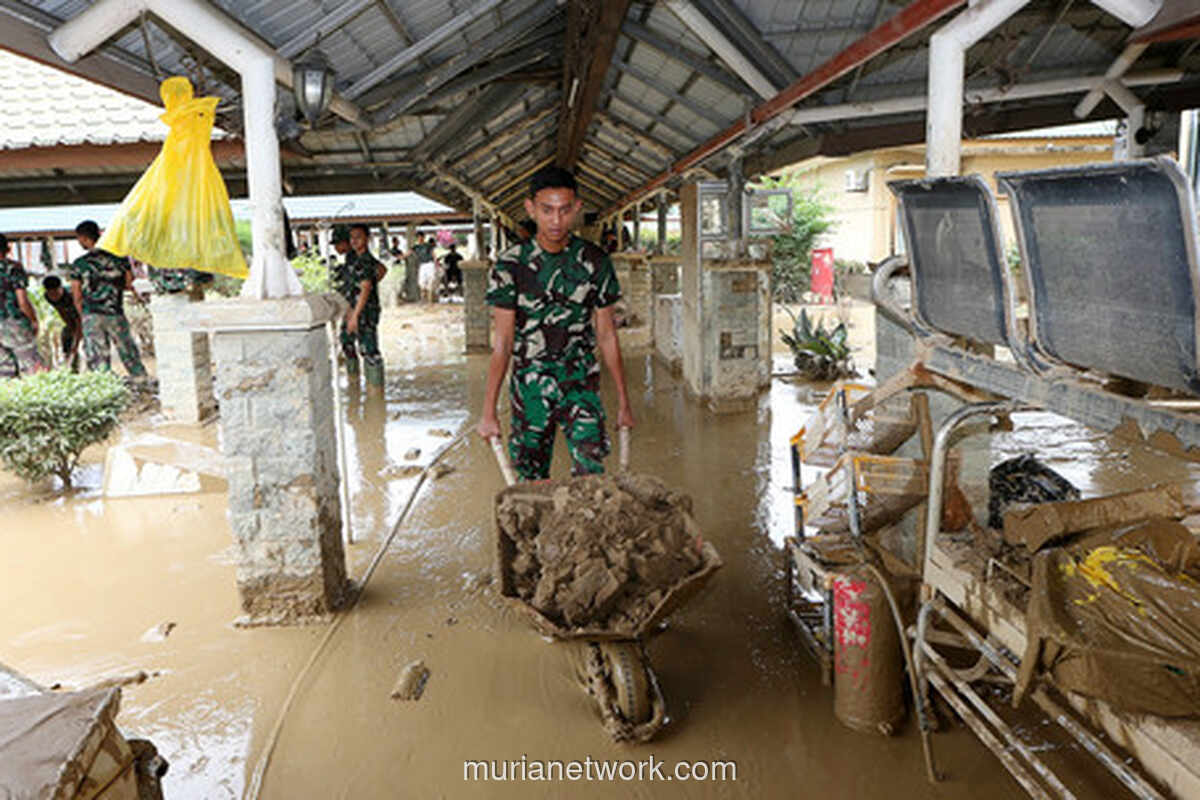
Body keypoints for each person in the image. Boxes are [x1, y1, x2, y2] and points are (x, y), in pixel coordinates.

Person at [476, 165, 634, 481]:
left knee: (591, 480)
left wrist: (623, 402)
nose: (556, 221)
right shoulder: (510, 265)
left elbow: (606, 335)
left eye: (564, 210)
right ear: (531, 209)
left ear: (577, 208)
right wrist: (488, 410)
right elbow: (503, 342)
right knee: (531, 483)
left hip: (581, 384)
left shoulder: (594, 261)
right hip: (530, 387)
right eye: (547, 210)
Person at [69, 220, 148, 378]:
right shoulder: (119, 259)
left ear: (84, 238)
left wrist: (83, 315)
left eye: (79, 239)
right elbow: (129, 283)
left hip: (91, 315)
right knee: (128, 351)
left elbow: (76, 295)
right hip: (115, 313)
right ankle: (141, 379)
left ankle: (103, 386)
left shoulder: (79, 264)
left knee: (98, 359)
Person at [343, 223, 385, 388]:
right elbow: (382, 269)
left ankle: (375, 393)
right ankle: (354, 384)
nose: (354, 241)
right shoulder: (353, 258)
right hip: (352, 308)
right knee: (347, 342)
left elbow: (366, 288)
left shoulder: (366, 261)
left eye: (358, 237)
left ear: (367, 239)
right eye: (352, 238)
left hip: (365, 311)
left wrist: (355, 316)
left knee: (369, 351)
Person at [0, 233, 43, 378]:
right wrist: (33, 320)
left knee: (4, 373)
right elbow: (22, 301)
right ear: (8, 249)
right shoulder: (13, 268)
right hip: (14, 323)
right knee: (32, 369)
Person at [41, 275, 82, 371]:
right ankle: (71, 367)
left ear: (61, 288)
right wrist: (70, 326)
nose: (54, 297)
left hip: (86, 315)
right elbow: (61, 311)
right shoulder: (48, 297)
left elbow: (80, 319)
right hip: (72, 319)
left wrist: (76, 343)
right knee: (66, 335)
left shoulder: (72, 295)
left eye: (56, 293)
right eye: (51, 294)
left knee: (79, 343)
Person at [413, 233, 438, 304]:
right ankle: (423, 300)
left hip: (430, 264)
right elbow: (408, 253)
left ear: (424, 237)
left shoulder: (428, 246)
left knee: (430, 283)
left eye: (421, 237)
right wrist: (399, 257)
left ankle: (430, 301)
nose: (420, 238)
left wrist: (436, 263)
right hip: (422, 265)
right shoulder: (416, 247)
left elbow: (433, 254)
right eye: (418, 237)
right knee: (421, 284)